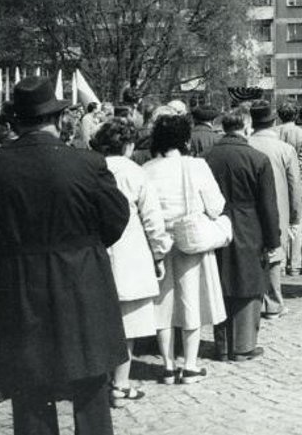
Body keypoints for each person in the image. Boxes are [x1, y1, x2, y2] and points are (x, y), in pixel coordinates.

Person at [0, 76, 129, 435]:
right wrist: (82, 247)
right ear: (58, 119)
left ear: (15, 120)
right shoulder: (88, 164)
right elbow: (115, 221)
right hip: (82, 281)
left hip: (18, 285)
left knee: (30, 391)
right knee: (91, 385)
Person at [90, 118, 172, 408]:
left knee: (99, 318)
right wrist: (159, 253)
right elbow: (152, 218)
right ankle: (120, 384)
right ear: (128, 144)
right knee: (128, 322)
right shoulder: (135, 173)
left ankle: (99, 382)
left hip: (96, 251)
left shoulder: (91, 168)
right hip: (130, 250)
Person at [143, 115, 227, 383]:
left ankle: (167, 366)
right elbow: (216, 206)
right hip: (191, 241)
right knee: (192, 303)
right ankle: (189, 366)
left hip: (159, 244)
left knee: (162, 307)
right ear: (185, 139)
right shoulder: (196, 166)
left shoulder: (147, 168)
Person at [206, 108, 280, 360]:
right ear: (247, 126)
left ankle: (222, 344)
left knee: (220, 282)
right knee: (249, 284)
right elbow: (268, 205)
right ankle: (243, 345)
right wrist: (273, 239)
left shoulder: (207, 157)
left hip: (216, 222)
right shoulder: (257, 159)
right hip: (250, 223)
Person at [247, 101, 300, 319]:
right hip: (278, 206)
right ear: (273, 121)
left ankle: (253, 301)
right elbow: (294, 185)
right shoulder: (285, 149)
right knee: (274, 256)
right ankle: (273, 302)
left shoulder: (246, 145)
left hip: (249, 207)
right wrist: (296, 216)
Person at [276, 101, 302, 275]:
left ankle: (281, 262)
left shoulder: (273, 133)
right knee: (298, 223)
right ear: (296, 115)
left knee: (280, 223)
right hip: (299, 183)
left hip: (278, 182)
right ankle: (296, 263)